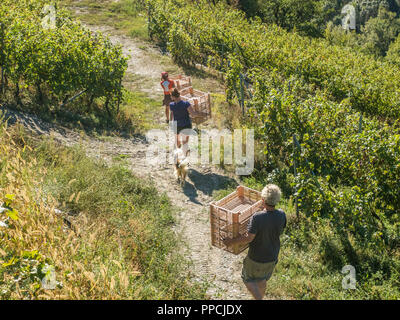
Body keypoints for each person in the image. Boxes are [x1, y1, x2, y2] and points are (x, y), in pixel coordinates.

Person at [223, 184, 286, 300]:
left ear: (263, 199)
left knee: (247, 278)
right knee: (262, 279)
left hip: (256, 258)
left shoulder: (257, 217)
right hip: (272, 257)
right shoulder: (282, 215)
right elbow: (276, 229)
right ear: (277, 199)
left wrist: (231, 241)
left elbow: (248, 238)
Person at [169, 88, 195, 156]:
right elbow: (193, 115)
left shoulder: (171, 105)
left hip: (177, 125)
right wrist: (199, 114)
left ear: (174, 97)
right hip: (186, 124)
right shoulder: (186, 104)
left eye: (171, 96)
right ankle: (185, 158)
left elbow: (171, 115)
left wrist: (170, 123)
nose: (170, 97)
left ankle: (178, 157)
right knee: (185, 143)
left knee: (177, 143)